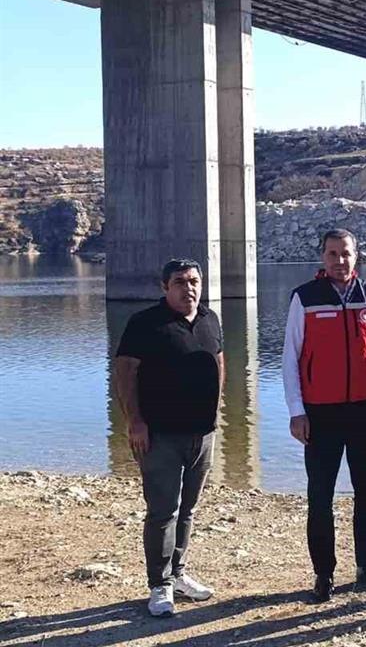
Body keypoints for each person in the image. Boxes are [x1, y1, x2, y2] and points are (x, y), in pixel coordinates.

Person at [283, 228, 366, 603]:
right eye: (332, 254)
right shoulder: (305, 298)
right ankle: (324, 574)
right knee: (320, 496)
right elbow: (290, 359)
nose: (340, 261)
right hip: (320, 413)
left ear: (357, 256)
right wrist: (296, 412)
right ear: (323, 257)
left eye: (346, 253)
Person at [114, 258, 224, 618]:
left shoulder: (210, 319)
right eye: (179, 282)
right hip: (159, 434)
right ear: (165, 287)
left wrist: (215, 411)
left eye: (194, 281)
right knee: (163, 510)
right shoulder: (144, 323)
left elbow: (218, 363)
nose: (188, 288)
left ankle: (177, 574)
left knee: (188, 509)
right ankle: (159, 585)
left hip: (202, 435)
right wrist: (135, 422)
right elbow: (125, 373)